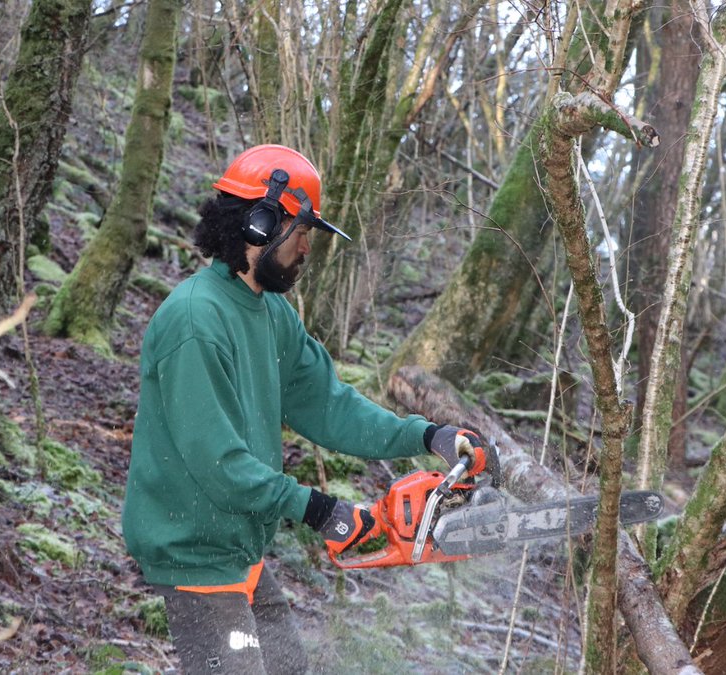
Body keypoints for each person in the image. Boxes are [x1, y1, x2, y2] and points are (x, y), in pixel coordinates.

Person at [121, 144, 487, 674]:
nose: (307, 247)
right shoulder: (195, 320)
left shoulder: (272, 313)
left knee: (288, 666)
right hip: (195, 551)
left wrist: (427, 435)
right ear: (261, 224)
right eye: (302, 231)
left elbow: (330, 407)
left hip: (239, 545)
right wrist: (319, 509)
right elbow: (217, 462)